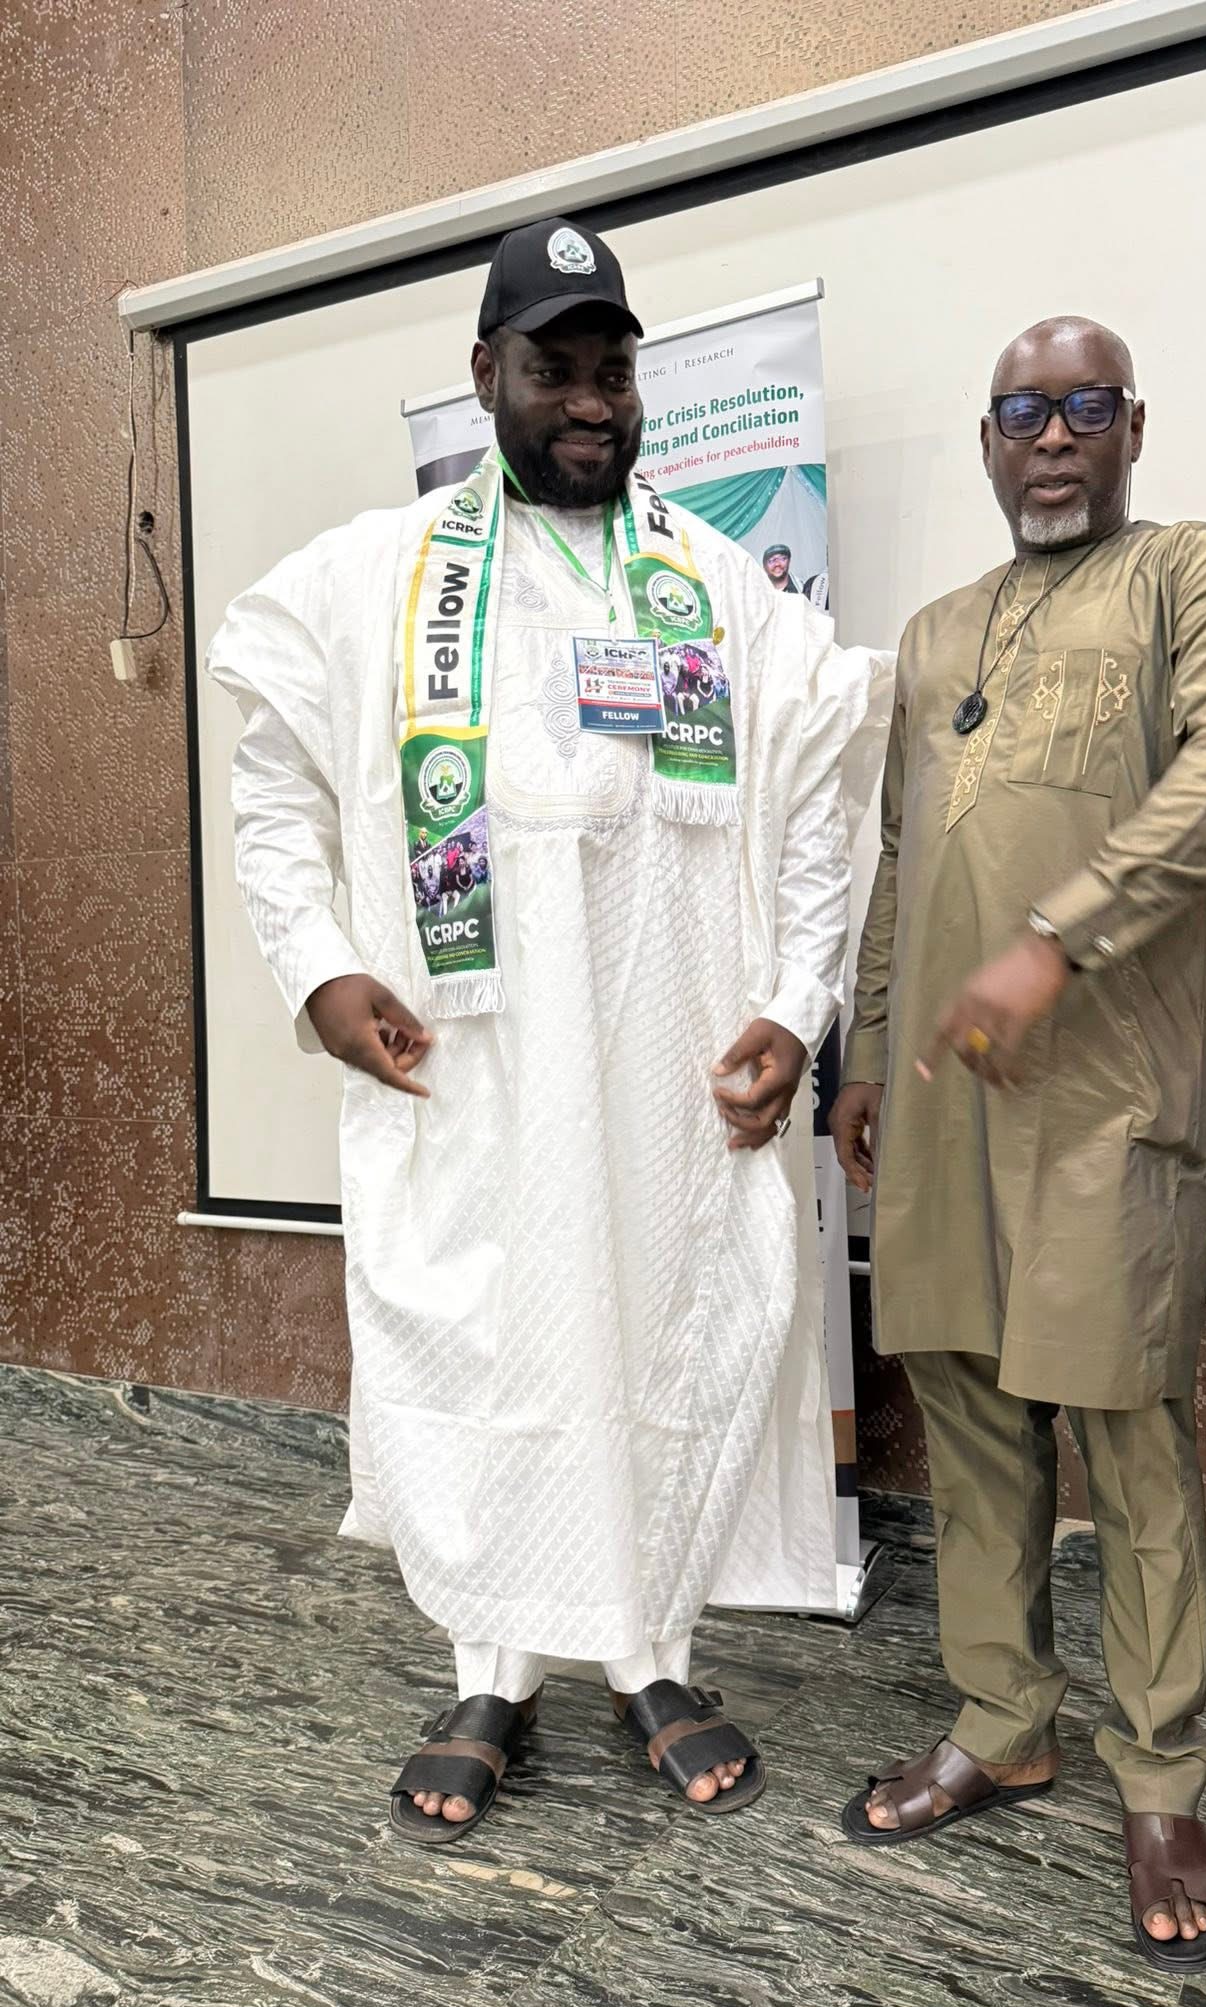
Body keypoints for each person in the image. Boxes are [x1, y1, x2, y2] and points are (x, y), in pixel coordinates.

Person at [212, 216, 891, 1846]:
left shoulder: (715, 589)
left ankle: (653, 1656)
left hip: (665, 1070)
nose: (591, 401)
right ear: (485, 374)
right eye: (554, 368)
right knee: (494, 1346)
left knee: (658, 1339)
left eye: (614, 372)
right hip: (476, 1068)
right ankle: (492, 1673)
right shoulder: (380, 580)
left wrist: (797, 1005)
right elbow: (272, 790)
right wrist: (319, 971)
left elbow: (819, 808)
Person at [829, 317, 1206, 1972]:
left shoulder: (1199, 575)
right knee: (968, 1410)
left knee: (1128, 1428)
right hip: (946, 1095)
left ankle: (1160, 1777)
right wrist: (868, 1053)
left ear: (1132, 426)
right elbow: (902, 858)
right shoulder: (935, 633)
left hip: (1109, 1091)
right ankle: (1003, 1719)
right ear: (986, 440)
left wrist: (1055, 940)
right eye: (1021, 411)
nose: (1051, 436)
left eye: (1083, 406)